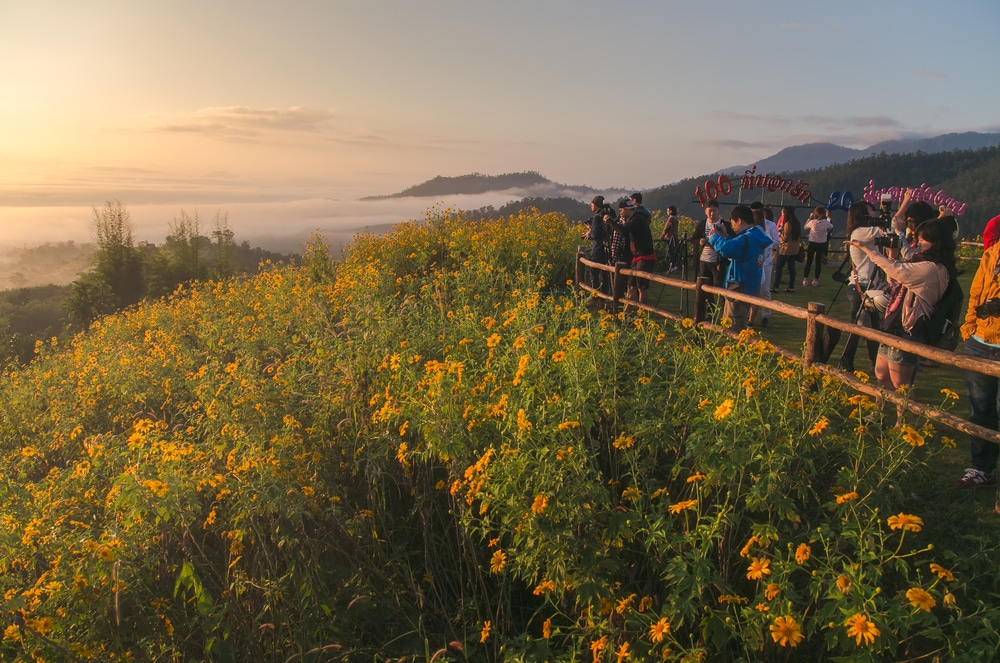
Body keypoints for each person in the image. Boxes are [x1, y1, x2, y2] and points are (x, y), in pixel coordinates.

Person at [846, 218, 956, 392]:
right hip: (892, 324)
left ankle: (902, 419)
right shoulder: (920, 261)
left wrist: (866, 249)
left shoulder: (932, 268)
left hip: (908, 329)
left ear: (937, 243)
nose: (919, 243)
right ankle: (879, 414)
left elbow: (896, 270)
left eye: (924, 239)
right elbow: (895, 278)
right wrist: (893, 252)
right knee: (881, 374)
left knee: (901, 384)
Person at [957, 237, 1000, 488]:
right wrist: (969, 327)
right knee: (979, 410)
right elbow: (976, 292)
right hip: (980, 341)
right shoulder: (992, 252)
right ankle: (982, 469)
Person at [838, 200, 887, 372]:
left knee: (872, 328)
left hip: (868, 287)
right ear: (862, 214)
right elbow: (889, 227)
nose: (874, 213)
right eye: (870, 211)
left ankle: (874, 363)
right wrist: (904, 203)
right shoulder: (861, 232)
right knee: (859, 327)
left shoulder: (862, 232)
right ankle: (847, 361)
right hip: (863, 287)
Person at [707, 204, 772, 332]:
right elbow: (739, 249)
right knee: (738, 324)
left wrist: (714, 237)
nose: (732, 226)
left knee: (733, 328)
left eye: (733, 223)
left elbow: (727, 249)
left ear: (739, 220)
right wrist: (726, 236)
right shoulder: (755, 234)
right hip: (749, 287)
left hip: (739, 289)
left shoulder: (748, 238)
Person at [607, 198, 656, 306]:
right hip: (636, 257)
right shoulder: (635, 219)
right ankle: (626, 316)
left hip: (644, 258)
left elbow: (624, 231)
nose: (620, 213)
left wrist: (610, 222)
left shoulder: (637, 219)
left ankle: (641, 316)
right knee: (631, 287)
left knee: (641, 288)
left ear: (626, 209)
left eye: (621, 210)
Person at [747, 201, 779, 328]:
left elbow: (777, 242)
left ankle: (766, 314)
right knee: (752, 291)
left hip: (766, 262)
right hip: (753, 262)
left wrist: (766, 243)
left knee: (764, 290)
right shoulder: (749, 225)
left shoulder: (770, 225)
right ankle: (749, 317)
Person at [584, 195, 612, 302]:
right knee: (605, 274)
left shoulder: (596, 217)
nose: (591, 205)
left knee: (594, 273)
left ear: (595, 204)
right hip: (607, 249)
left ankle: (595, 297)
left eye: (592, 204)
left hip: (598, 249)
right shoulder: (606, 215)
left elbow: (595, 235)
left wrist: (589, 231)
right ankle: (605, 296)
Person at [802, 206, 834, 287]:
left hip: (812, 243)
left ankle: (805, 279)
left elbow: (805, 227)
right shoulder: (825, 223)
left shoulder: (813, 222)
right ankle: (816, 280)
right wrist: (828, 217)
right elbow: (831, 226)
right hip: (821, 243)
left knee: (809, 262)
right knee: (818, 262)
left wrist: (810, 217)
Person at [772, 206, 801, 293]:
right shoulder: (797, 223)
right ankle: (791, 287)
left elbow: (784, 237)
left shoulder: (788, 224)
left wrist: (778, 239)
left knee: (779, 267)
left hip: (785, 249)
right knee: (792, 268)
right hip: (794, 248)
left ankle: (776, 286)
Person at [657, 205, 680, 273]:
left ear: (670, 211)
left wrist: (661, 237)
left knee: (671, 252)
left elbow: (666, 229)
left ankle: (673, 266)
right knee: (675, 252)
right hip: (675, 237)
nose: (667, 212)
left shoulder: (671, 219)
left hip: (670, 237)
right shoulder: (676, 219)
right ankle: (675, 267)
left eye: (668, 210)